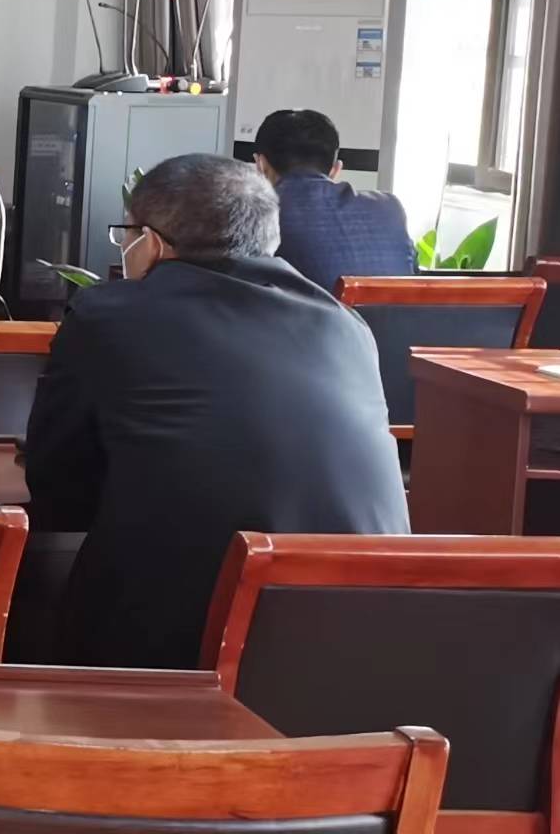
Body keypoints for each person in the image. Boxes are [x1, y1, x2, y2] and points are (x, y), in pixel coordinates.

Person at [25, 154, 407, 669]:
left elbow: (58, 485)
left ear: (151, 243)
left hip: (182, 646)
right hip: (363, 634)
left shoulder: (109, 316)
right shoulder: (347, 327)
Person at [252, 108, 416, 294]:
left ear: (261, 165)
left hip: (311, 314)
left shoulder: (261, 213)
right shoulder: (389, 208)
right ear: (335, 169)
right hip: (400, 313)